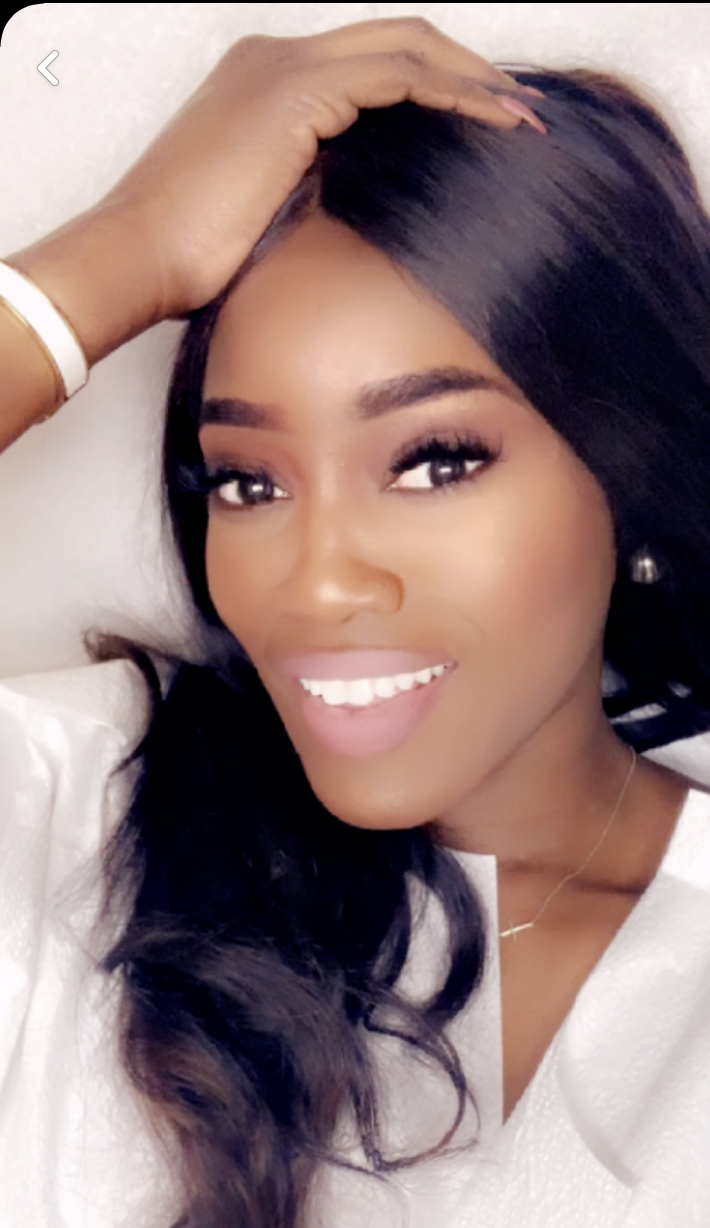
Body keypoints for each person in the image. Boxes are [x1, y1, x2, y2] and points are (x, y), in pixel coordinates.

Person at [2, 16, 710, 1228]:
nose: (318, 584)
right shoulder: (71, 809)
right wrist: (123, 251)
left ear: (630, 474)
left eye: (435, 461)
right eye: (248, 481)